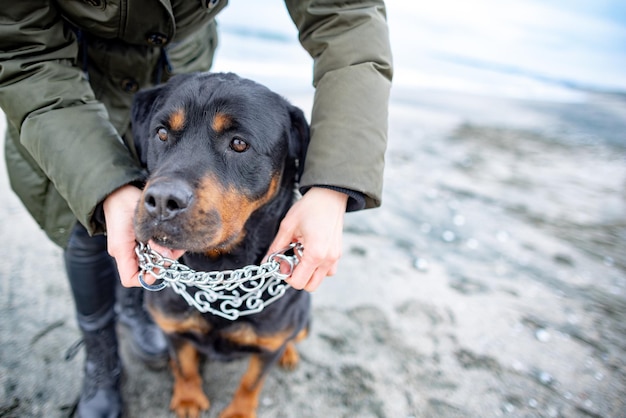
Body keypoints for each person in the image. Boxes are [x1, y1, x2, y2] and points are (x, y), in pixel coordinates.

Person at [0, 1, 393, 417]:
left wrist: (332, 189)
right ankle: (107, 357)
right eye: (165, 136)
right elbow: (21, 53)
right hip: (71, 87)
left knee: (281, 334)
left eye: (238, 144)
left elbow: (347, 18)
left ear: (291, 164)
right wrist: (110, 187)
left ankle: (217, 379)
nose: (165, 192)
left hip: (177, 52)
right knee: (87, 228)